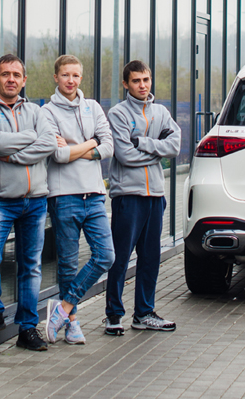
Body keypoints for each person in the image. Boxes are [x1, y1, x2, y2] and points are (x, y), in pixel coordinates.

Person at [0, 54, 57, 351]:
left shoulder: (36, 111)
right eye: (5, 74)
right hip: (0, 200)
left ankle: (27, 328)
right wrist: (31, 138)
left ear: (24, 80)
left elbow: (49, 142)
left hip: (35, 201)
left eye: (16, 75)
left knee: (30, 267)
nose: (11, 79)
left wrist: (13, 156)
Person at [42, 54, 115, 345]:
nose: (70, 80)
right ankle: (71, 324)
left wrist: (78, 148)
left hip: (94, 194)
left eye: (75, 75)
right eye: (65, 75)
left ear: (81, 78)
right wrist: (91, 143)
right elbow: (58, 155)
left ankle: (63, 307)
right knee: (68, 265)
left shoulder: (93, 107)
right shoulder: (47, 112)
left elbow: (108, 146)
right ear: (56, 77)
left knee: (105, 255)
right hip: (64, 196)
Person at [103, 60, 180, 335]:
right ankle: (113, 315)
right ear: (126, 84)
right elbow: (124, 155)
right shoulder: (118, 114)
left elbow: (175, 146)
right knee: (120, 257)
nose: (142, 85)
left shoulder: (161, 112)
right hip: (128, 195)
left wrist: (144, 143)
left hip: (155, 195)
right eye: (136, 81)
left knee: (150, 258)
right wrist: (158, 151)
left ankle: (144, 314)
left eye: (146, 80)